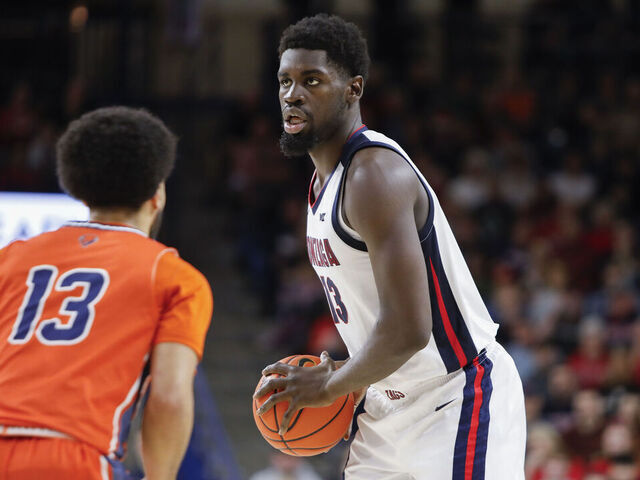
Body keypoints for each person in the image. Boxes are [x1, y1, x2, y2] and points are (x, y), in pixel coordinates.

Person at [254, 14, 526, 479]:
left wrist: (330, 387)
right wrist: (346, 375)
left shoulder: (372, 176)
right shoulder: (323, 183)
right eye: (285, 81)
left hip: (455, 396)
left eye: (311, 80)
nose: (292, 95)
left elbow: (408, 330)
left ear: (353, 89)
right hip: (385, 403)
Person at [0, 106, 213, 480]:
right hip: (70, 456)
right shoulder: (175, 278)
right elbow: (168, 396)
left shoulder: (10, 257)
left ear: (81, 192)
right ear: (158, 193)